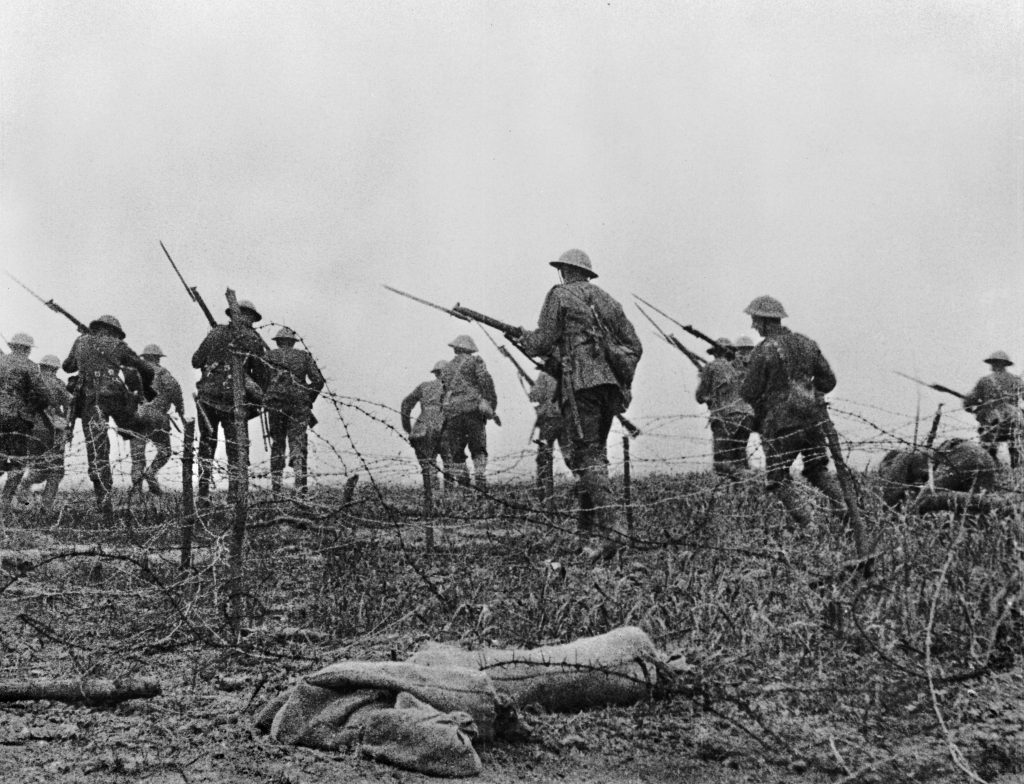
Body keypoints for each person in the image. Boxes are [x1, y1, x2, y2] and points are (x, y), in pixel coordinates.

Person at [508, 249, 642, 554]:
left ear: (564, 272)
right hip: (610, 387)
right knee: (593, 456)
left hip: (580, 385)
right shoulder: (608, 300)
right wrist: (624, 382)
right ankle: (587, 535)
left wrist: (520, 337)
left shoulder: (560, 295)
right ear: (587, 274)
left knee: (586, 456)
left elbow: (542, 342)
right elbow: (634, 346)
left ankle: (615, 530)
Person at [739, 295, 845, 527]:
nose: (753, 326)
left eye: (755, 320)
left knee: (777, 480)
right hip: (813, 420)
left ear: (766, 321)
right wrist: (805, 391)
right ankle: (844, 511)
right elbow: (828, 381)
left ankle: (810, 526)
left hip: (780, 425)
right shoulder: (807, 343)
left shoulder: (763, 351)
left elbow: (748, 392)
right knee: (817, 470)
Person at [63, 316, 156, 517]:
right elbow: (146, 368)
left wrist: (84, 347)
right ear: (114, 331)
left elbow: (68, 366)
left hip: (89, 398)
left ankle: (104, 505)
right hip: (115, 396)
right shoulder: (118, 344)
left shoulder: (81, 341)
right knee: (138, 428)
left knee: (97, 450)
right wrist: (144, 392)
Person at [191, 298, 270, 501]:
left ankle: (203, 493)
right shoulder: (253, 339)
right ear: (249, 317)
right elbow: (261, 373)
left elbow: (196, 361)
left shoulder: (216, 333)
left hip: (207, 397)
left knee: (206, 445)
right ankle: (234, 495)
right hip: (234, 401)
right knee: (235, 448)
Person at [264, 326, 325, 493]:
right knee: (298, 444)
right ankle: (300, 486)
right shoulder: (304, 356)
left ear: (277, 342)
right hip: (299, 406)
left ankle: (276, 488)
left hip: (275, 405)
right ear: (292, 342)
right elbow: (318, 381)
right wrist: (307, 398)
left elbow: (262, 381)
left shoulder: (268, 356)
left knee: (277, 444)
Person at [11, 353, 73, 511]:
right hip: (50, 432)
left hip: (27, 430)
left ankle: (20, 496)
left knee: (31, 466)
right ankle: (46, 506)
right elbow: (71, 403)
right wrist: (66, 424)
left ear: (40, 366)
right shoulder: (57, 384)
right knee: (56, 470)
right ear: (56, 369)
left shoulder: (29, 383)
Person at [0, 334, 50, 516]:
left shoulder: (1, 361)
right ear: (28, 349)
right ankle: (5, 503)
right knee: (18, 461)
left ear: (12, 346)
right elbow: (43, 394)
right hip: (18, 418)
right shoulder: (29, 366)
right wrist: (34, 407)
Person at [128, 344, 188, 496]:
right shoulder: (164, 374)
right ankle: (151, 473)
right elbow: (177, 395)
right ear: (157, 358)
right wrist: (182, 416)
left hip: (138, 416)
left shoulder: (134, 374)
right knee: (165, 451)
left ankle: (136, 490)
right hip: (157, 417)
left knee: (137, 456)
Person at [440, 335, 497, 492]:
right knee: (478, 449)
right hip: (472, 411)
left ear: (456, 348)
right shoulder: (475, 361)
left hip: (453, 414)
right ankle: (480, 482)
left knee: (457, 452)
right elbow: (486, 382)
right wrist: (492, 406)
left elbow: (443, 392)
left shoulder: (447, 368)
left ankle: (464, 486)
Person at [695, 338, 754, 480]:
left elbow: (700, 396)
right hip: (747, 417)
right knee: (739, 457)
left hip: (724, 417)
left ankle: (745, 478)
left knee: (721, 462)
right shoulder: (740, 369)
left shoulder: (712, 367)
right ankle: (744, 487)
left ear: (715, 352)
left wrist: (703, 377)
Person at [963, 351, 1023, 468]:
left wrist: (975, 408)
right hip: (1013, 423)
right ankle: (1017, 477)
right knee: (1016, 452)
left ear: (992, 364)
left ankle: (991, 473)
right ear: (1005, 365)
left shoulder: (984, 381)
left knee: (987, 453)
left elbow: (968, 402)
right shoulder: (1016, 381)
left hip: (991, 423)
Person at [400, 360, 448, 491]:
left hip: (423, 428)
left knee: (428, 467)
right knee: (450, 466)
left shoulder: (424, 386)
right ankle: (451, 500)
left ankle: (433, 499)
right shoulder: (453, 388)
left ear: (436, 373)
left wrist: (408, 429)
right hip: (445, 427)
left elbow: (406, 404)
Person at [529, 369, 571, 507]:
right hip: (567, 420)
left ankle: (542, 496)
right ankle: (582, 489)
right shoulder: (569, 371)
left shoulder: (545, 374)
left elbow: (534, 395)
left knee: (543, 459)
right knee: (571, 457)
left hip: (549, 420)